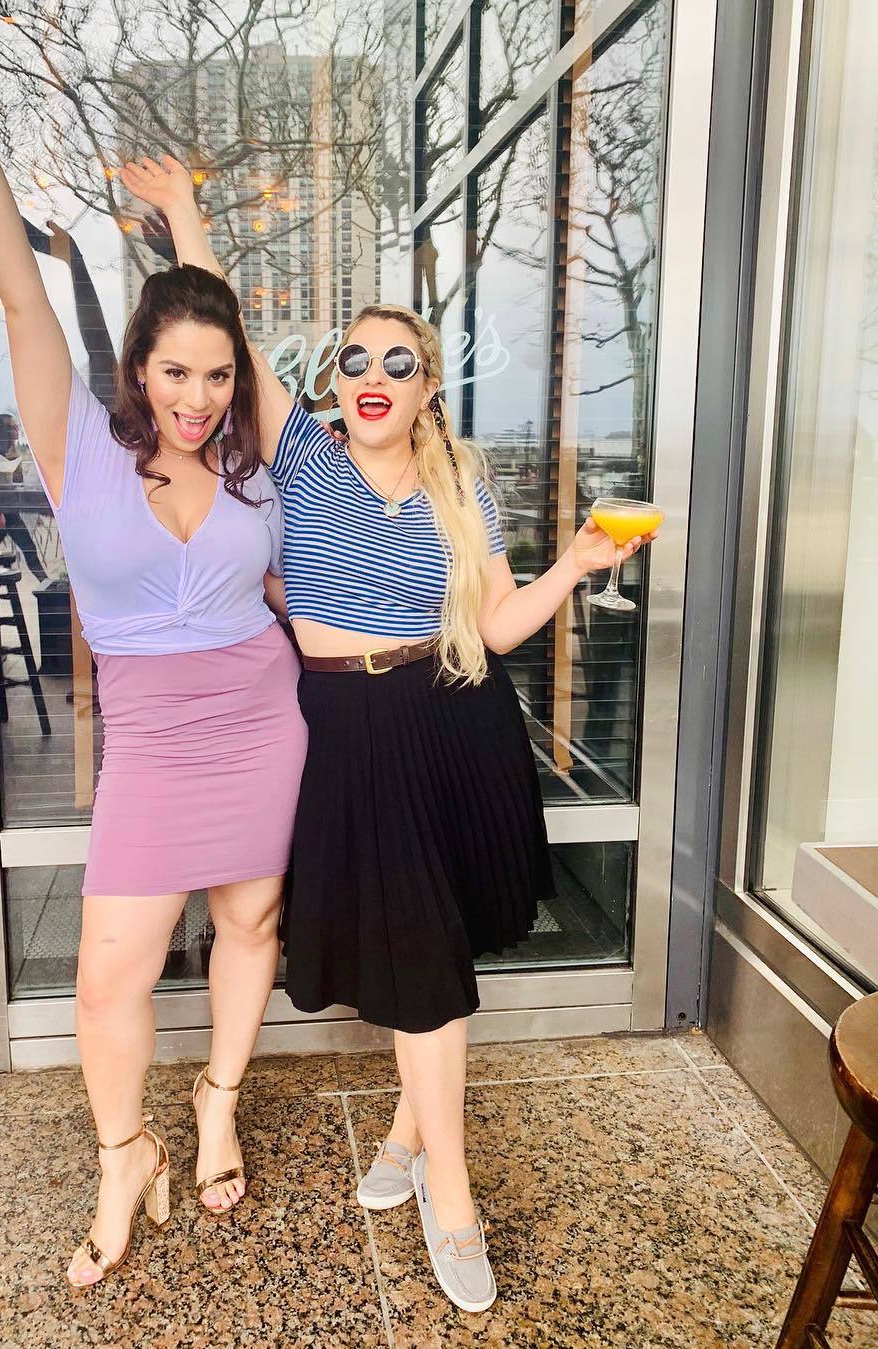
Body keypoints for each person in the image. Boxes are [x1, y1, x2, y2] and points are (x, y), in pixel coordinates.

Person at [126, 152, 658, 1313]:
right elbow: (235, 337)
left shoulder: (463, 485)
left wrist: (574, 563)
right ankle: (428, 1154)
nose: (373, 375)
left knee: (435, 941)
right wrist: (186, 216)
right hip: (344, 725)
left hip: (451, 714)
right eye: (356, 360)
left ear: (426, 390)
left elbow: (497, 623)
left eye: (398, 362)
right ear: (338, 383)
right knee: (420, 946)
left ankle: (435, 1168)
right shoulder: (306, 456)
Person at [0, 50, 307, 1288]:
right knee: (110, 971)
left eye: (218, 374)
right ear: (138, 370)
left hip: (261, 718)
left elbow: (244, 367)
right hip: (154, 740)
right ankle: (125, 1151)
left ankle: (216, 1099)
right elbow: (19, 301)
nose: (200, 396)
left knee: (250, 920)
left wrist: (193, 225)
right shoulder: (84, 451)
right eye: (176, 371)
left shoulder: (255, 464)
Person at [0, 412, 48, 581]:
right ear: (0, 430)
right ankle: (44, 583)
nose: (16, 431)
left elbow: (14, 481)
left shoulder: (6, 450)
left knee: (27, 549)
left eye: (16, 427)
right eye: (11, 427)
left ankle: (45, 583)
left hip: (9, 511)